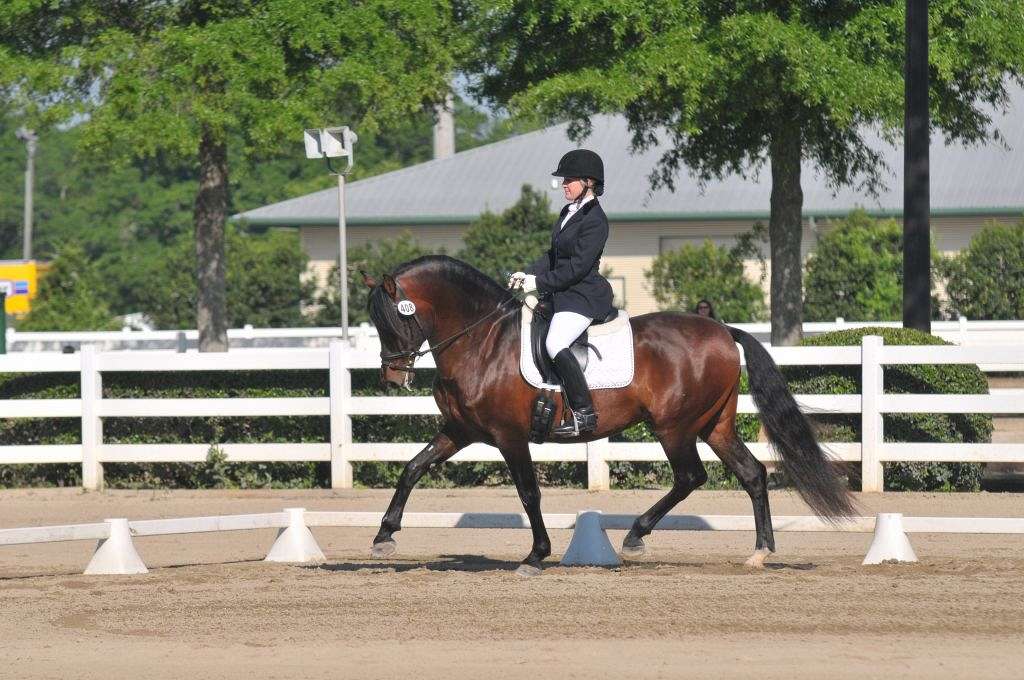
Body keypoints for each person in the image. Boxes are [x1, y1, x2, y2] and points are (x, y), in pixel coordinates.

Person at [508, 149, 613, 436]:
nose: (564, 184)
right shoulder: (568, 212)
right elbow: (553, 255)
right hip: (561, 292)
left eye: (569, 179)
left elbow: (578, 268)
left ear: (589, 182)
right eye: (564, 179)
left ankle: (584, 413)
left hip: (583, 296)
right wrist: (527, 273)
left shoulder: (596, 220)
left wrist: (539, 284)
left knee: (555, 342)